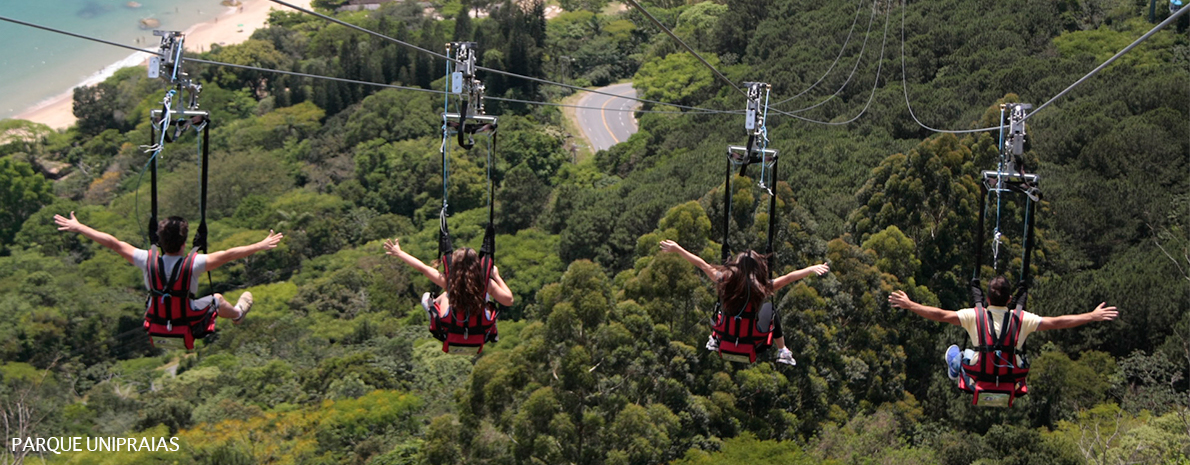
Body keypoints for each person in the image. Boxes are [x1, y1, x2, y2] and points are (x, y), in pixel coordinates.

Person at [55, 212, 283, 324]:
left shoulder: (146, 258)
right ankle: (238, 314)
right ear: (185, 244)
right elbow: (229, 255)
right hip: (186, 314)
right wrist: (260, 245)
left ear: (159, 242)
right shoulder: (194, 263)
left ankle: (236, 314)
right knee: (217, 298)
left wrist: (80, 227)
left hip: (156, 315)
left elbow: (112, 242)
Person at [888, 276, 1118, 380]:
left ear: (986, 300)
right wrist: (1092, 315)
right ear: (1010, 300)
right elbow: (1059, 322)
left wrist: (910, 305)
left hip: (978, 372)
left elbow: (939, 314)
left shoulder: (973, 316)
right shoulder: (1023, 319)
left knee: (958, 353)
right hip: (1011, 375)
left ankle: (954, 367)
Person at [659, 240, 830, 365]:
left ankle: (714, 339)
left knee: (720, 306)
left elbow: (703, 265)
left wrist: (678, 249)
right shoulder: (762, 287)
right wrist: (809, 269)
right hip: (755, 342)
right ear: (757, 268)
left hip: (725, 336)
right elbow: (788, 278)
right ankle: (782, 350)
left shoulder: (724, 280)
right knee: (770, 308)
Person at [383, 238, 513, 322]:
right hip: (478, 328)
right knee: (487, 300)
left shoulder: (449, 281)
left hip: (452, 324)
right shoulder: (485, 284)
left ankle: (432, 309)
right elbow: (508, 301)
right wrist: (496, 276)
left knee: (445, 295)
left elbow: (422, 268)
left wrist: (399, 253)